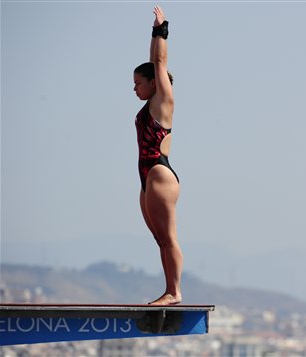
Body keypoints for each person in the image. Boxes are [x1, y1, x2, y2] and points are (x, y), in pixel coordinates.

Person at [133, 5, 182, 305]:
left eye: (139, 82)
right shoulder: (149, 103)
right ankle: (169, 290)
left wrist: (159, 29)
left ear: (154, 83)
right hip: (146, 176)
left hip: (159, 174)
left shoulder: (163, 100)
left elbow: (158, 61)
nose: (134, 87)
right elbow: (154, 63)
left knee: (169, 237)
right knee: (159, 239)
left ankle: (174, 292)